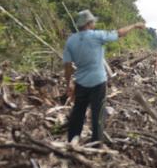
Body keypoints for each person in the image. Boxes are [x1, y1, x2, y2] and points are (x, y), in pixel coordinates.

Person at [62, 10, 146, 144]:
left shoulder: (71, 40)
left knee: (78, 112)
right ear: (89, 23)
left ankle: (72, 140)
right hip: (98, 82)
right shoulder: (97, 35)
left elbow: (67, 66)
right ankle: (97, 143)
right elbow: (119, 33)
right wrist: (135, 25)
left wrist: (68, 84)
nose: (94, 24)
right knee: (98, 114)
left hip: (81, 83)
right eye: (93, 22)